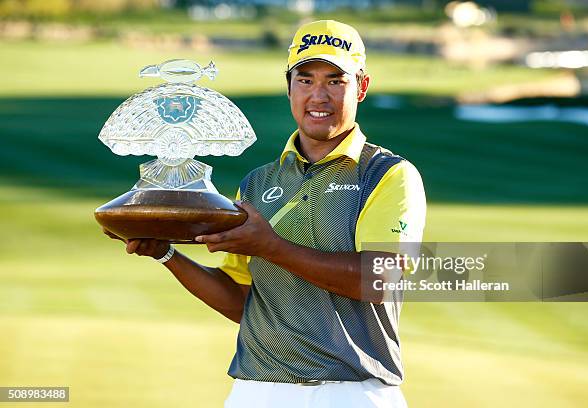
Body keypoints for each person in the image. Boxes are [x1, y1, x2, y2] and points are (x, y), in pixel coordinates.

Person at [106, 20, 426, 408]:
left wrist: (271, 246)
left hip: (352, 392)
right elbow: (243, 301)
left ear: (361, 86)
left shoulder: (387, 174)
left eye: (335, 81)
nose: (318, 96)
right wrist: (166, 254)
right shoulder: (258, 184)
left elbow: (380, 279)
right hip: (255, 390)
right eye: (305, 80)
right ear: (289, 86)